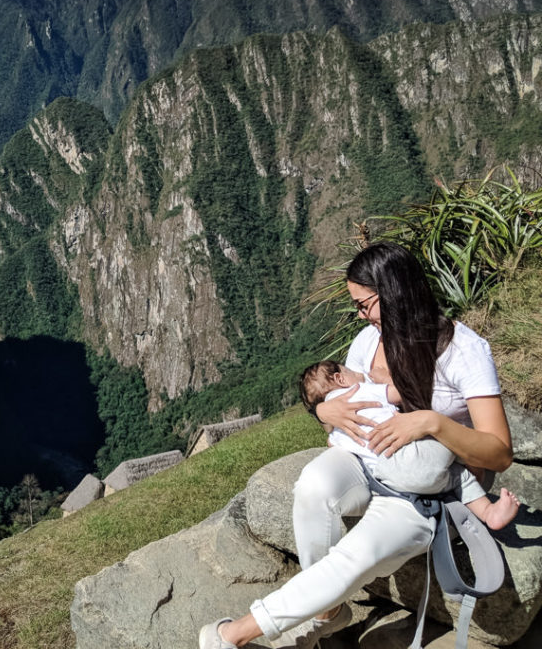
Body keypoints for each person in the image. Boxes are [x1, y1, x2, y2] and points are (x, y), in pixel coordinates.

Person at [199, 241, 514, 649]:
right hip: (364, 461)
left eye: (365, 304)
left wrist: (432, 423)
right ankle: (330, 611)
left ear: (396, 294)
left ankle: (234, 633)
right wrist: (323, 413)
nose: (361, 315)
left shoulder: (462, 351)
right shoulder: (368, 342)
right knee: (313, 485)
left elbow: (499, 453)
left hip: (421, 486)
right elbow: (345, 399)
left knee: (356, 554)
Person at [300, 360, 518, 530]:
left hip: (395, 480)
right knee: (452, 447)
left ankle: (489, 513)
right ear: (340, 379)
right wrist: (384, 379)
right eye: (350, 371)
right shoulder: (358, 391)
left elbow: (331, 444)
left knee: (454, 475)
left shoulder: (336, 434)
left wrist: (324, 416)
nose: (357, 374)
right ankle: (486, 505)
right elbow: (400, 394)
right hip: (408, 452)